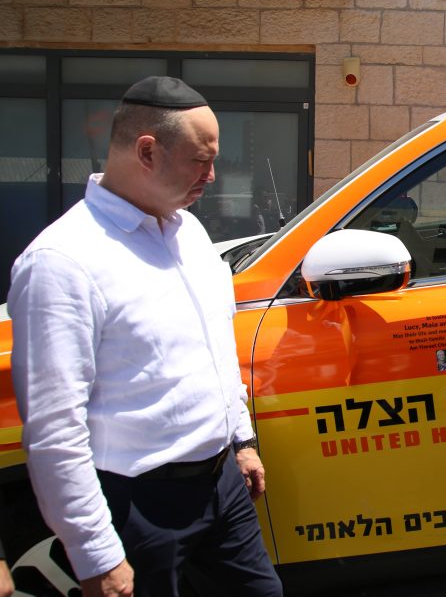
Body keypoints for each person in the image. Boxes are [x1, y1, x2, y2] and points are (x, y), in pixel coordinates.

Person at [9, 76, 282, 597]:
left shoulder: (190, 232)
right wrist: (97, 556)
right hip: (136, 509)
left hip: (221, 487)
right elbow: (53, 432)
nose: (212, 174)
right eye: (200, 160)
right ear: (148, 151)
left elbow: (214, 352)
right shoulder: (62, 263)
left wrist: (240, 441)